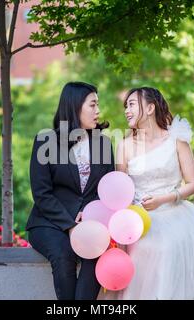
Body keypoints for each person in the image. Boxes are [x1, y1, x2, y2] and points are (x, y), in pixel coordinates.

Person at [99, 87, 194, 299]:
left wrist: (163, 199)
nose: (127, 110)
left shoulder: (176, 140)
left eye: (132, 104)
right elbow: (119, 192)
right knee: (143, 248)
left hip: (175, 212)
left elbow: (193, 184)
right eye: (126, 106)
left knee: (168, 246)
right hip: (139, 220)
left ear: (150, 108)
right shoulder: (124, 146)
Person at [26, 82, 115, 300]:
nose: (98, 111)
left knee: (96, 255)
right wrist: (70, 225)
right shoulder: (46, 142)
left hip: (90, 222)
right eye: (93, 105)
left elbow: (106, 189)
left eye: (98, 105)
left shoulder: (103, 144)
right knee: (63, 256)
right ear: (75, 106)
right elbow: (41, 193)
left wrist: (89, 214)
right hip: (50, 223)